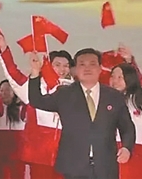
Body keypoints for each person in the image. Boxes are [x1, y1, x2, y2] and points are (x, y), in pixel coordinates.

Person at [28, 48, 136, 179]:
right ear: (75, 69)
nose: (87, 68)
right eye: (82, 64)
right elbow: (37, 101)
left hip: (106, 166)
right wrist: (35, 72)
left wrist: (126, 147)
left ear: (100, 68)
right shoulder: (64, 94)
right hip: (74, 167)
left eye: (92, 64)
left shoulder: (114, 96)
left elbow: (127, 127)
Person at [0, 29, 72, 179]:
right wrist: (4, 49)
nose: (62, 69)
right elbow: (13, 74)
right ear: (47, 64)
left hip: (66, 155)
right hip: (39, 155)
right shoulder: (35, 86)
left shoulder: (75, 89)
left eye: (66, 65)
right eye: (57, 64)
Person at [109, 63, 142, 178]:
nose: (115, 81)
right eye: (112, 76)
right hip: (108, 161)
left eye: (120, 77)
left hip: (136, 163)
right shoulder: (102, 103)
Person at [0, 79, 27, 179]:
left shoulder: (22, 108)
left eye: (7, 90)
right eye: (1, 90)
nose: (4, 93)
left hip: (17, 154)